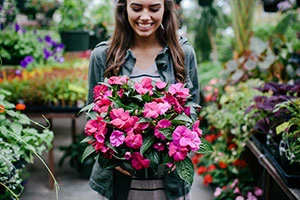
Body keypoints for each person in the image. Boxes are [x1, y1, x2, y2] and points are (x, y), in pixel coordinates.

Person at [87, 0, 199, 199]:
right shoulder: (103, 56)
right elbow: (94, 117)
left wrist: (177, 148)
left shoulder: (182, 54)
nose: (145, 17)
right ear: (124, 8)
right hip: (119, 182)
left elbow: (192, 112)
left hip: (168, 184)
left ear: (165, 9)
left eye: (154, 8)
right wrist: (112, 155)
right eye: (137, 8)